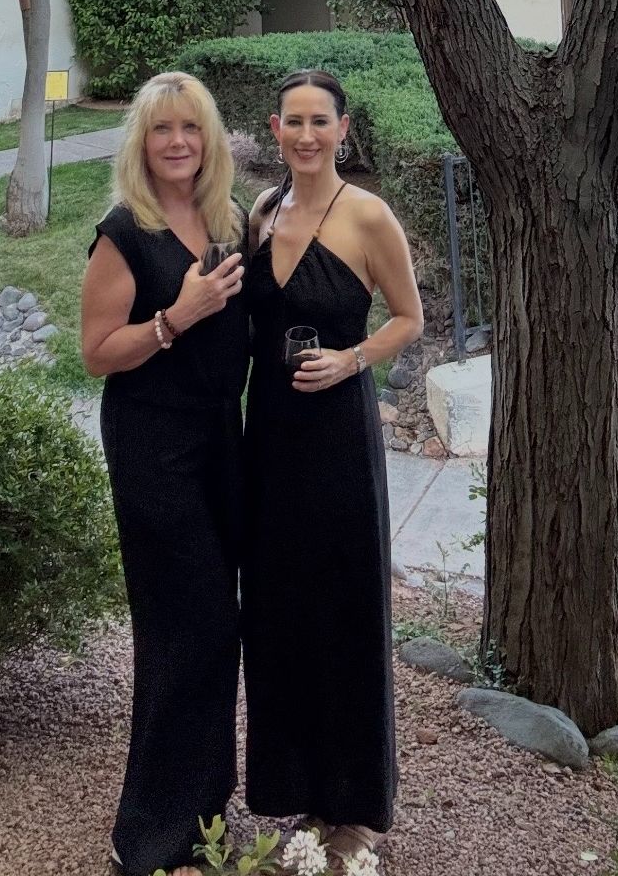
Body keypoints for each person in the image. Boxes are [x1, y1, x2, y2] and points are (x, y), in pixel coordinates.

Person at [242, 69, 424, 870]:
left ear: (343, 130)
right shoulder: (260, 213)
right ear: (275, 130)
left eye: (321, 121)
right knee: (283, 611)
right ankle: (304, 793)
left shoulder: (367, 215)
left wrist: (352, 358)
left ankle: (357, 812)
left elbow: (410, 318)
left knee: (347, 610)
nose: (307, 135)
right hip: (270, 434)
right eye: (294, 122)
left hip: (339, 437)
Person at [80, 71, 249, 876]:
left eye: (189, 128)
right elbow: (95, 353)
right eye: (161, 130)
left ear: (208, 139)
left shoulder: (228, 221)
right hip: (153, 445)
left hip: (220, 440)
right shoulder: (124, 233)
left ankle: (204, 818)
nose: (177, 142)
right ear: (141, 144)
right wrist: (176, 318)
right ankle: (147, 834)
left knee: (217, 630)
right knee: (191, 626)